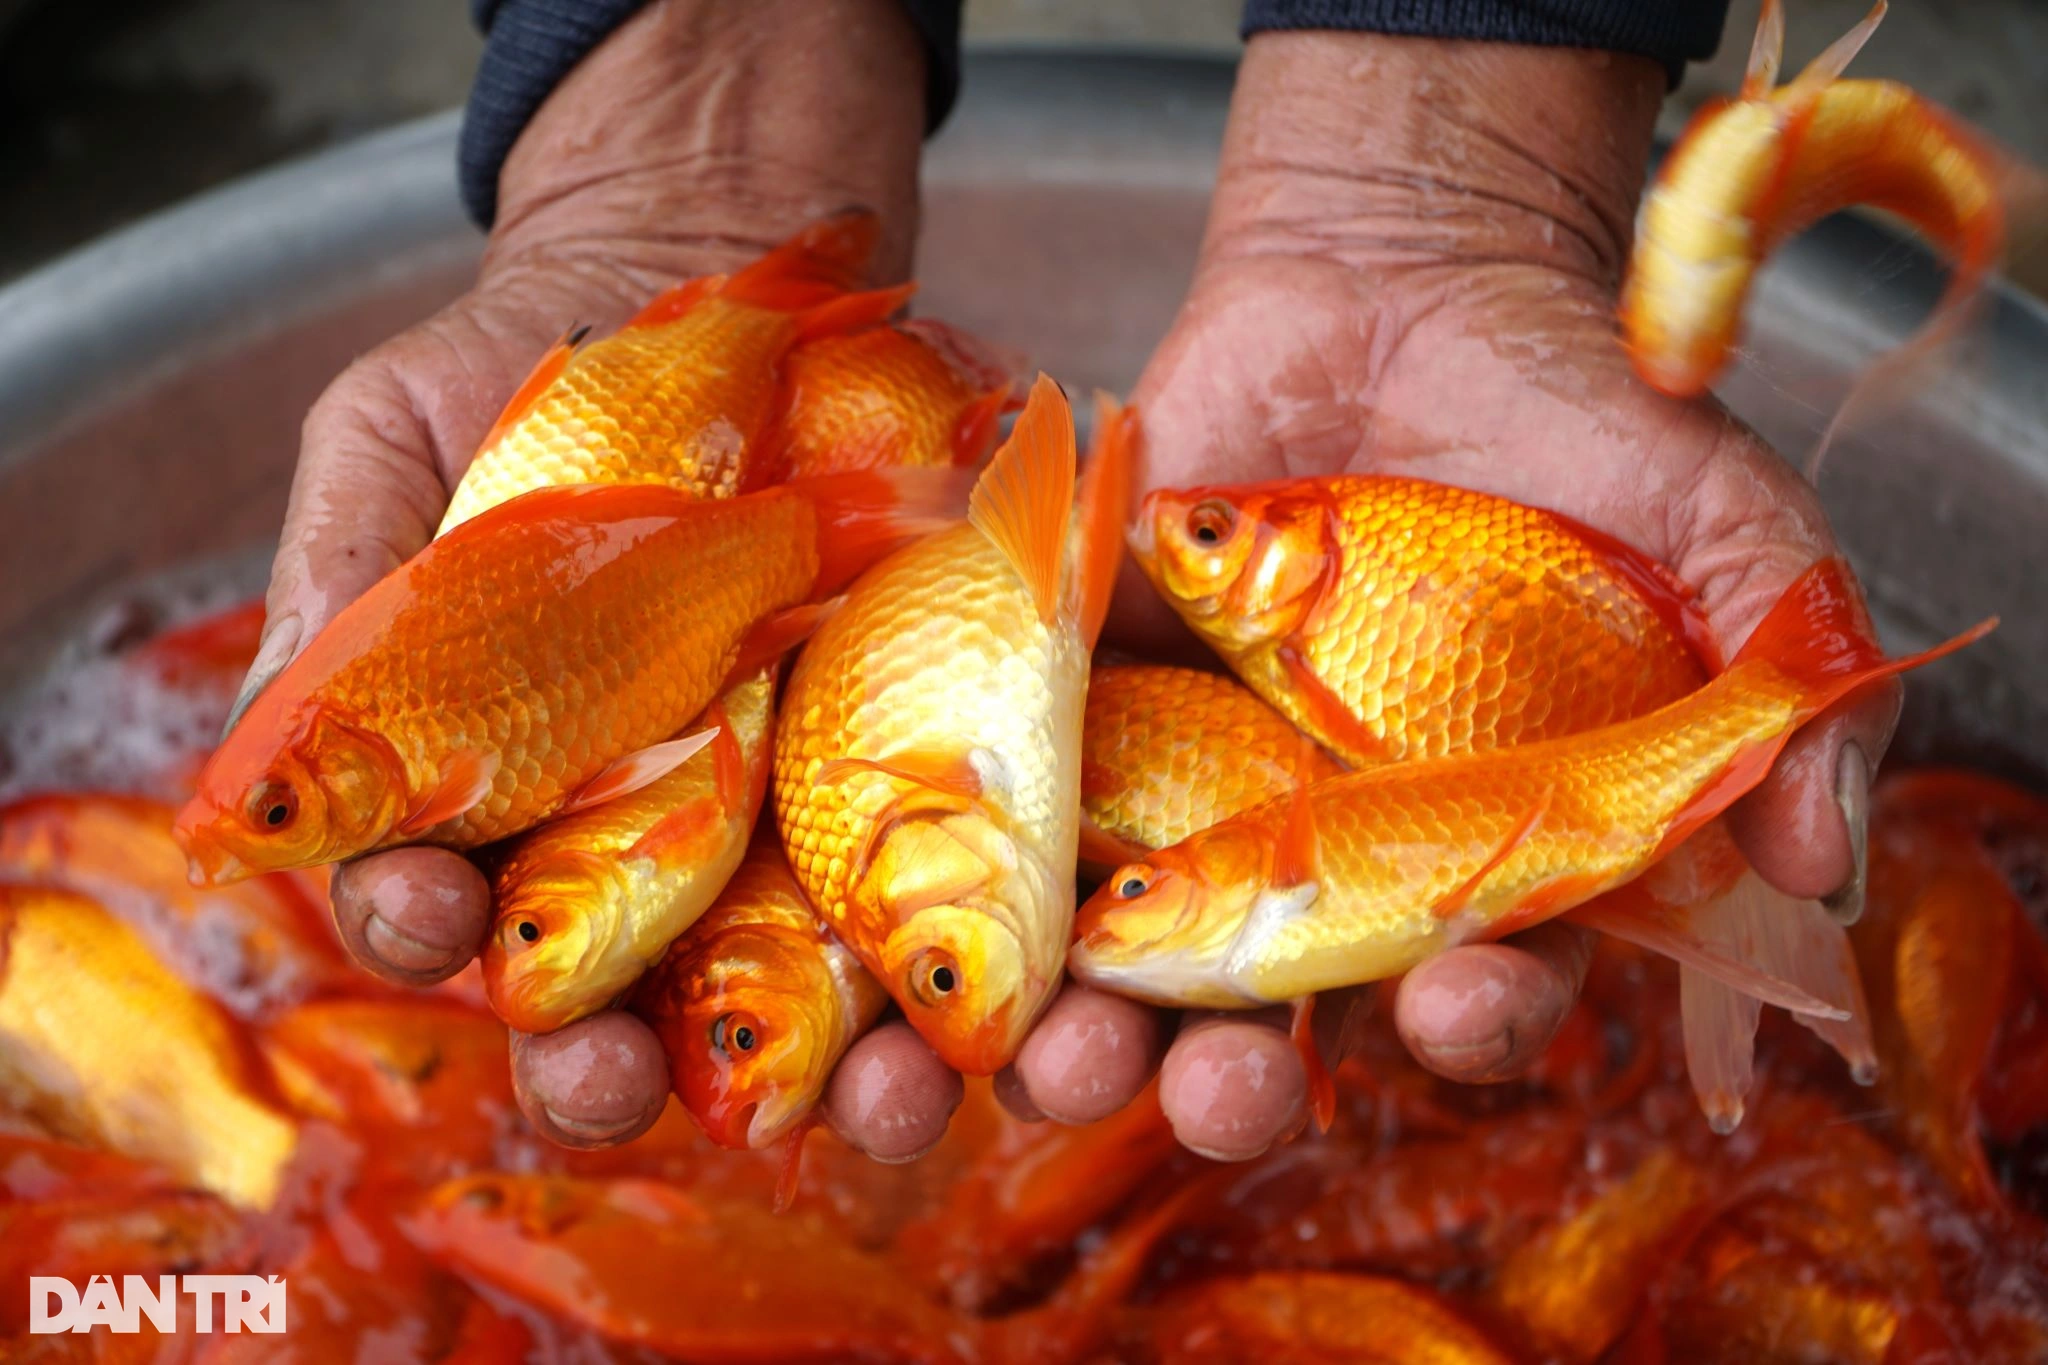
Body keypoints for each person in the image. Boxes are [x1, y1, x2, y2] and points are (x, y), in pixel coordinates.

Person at [241, 0, 1890, 1163]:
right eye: (948, 968)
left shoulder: (894, 782)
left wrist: (1451, 185)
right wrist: (674, 152)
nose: (1032, 954)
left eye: (947, 967)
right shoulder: (874, 792)